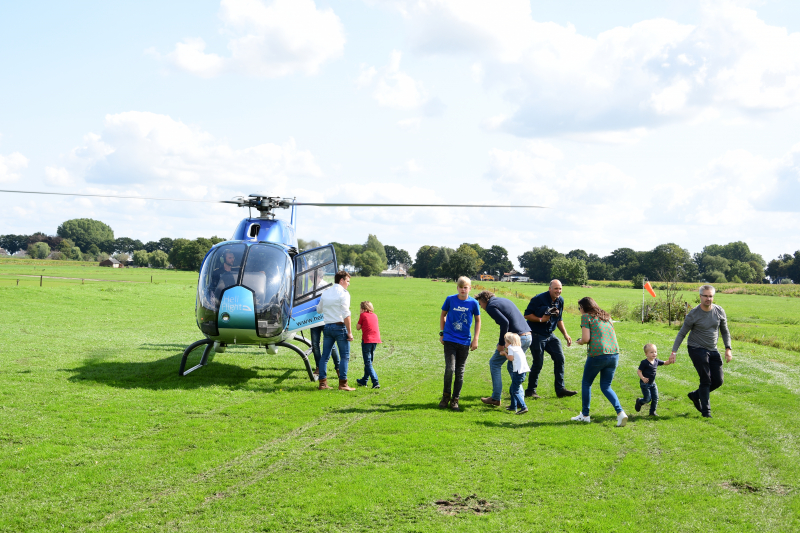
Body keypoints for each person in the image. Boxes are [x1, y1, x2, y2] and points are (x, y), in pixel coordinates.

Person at [670, 284, 733, 418]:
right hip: (696, 348)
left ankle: (695, 395)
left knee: (718, 380)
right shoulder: (693, 314)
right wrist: (674, 352)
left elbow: (725, 331)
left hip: (713, 349)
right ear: (700, 296)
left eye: (710, 296)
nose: (708, 299)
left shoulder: (719, 311)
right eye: (705, 296)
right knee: (706, 379)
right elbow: (682, 333)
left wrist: (728, 348)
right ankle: (706, 412)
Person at [570, 296, 628, 427]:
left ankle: (585, 415)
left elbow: (586, 338)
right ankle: (620, 413)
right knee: (606, 386)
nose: (579, 310)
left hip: (597, 354)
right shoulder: (606, 316)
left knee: (586, 383)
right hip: (614, 354)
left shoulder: (586, 317)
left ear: (584, 307)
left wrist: (580, 342)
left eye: (580, 308)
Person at [474, 290, 532, 407]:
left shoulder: (490, 306)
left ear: (483, 300)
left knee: (495, 363)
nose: (481, 307)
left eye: (480, 304)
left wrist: (501, 343)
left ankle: (496, 398)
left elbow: (504, 323)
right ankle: (519, 402)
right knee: (514, 368)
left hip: (515, 339)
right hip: (527, 336)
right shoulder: (502, 300)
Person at [523, 280, 577, 399]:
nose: (558, 291)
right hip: (536, 334)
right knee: (538, 362)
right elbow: (526, 315)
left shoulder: (560, 300)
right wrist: (542, 319)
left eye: (560, 289)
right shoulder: (538, 299)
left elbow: (559, 319)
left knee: (560, 358)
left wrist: (565, 334)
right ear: (550, 288)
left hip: (550, 334)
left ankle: (560, 389)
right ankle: (530, 390)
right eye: (556, 288)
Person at [438, 276, 481, 411]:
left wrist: (475, 339)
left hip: (464, 341)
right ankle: (445, 397)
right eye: (461, 287)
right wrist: (442, 332)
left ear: (470, 288)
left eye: (465, 287)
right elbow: (443, 315)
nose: (463, 289)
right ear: (457, 288)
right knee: (450, 369)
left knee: (459, 371)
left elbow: (478, 321)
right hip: (450, 339)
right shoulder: (450, 299)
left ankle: (455, 399)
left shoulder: (473, 303)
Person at [317, 271, 355, 391]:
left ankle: (322, 383)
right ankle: (343, 384)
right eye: (348, 281)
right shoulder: (344, 294)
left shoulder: (326, 292)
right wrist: (349, 332)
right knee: (344, 356)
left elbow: (319, 310)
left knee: (325, 357)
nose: (348, 284)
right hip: (340, 327)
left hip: (327, 327)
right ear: (342, 280)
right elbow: (346, 314)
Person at [635, 344, 673, 416]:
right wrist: (643, 378)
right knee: (648, 399)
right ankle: (640, 401)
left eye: (655, 352)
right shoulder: (644, 362)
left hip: (653, 383)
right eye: (651, 352)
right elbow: (639, 371)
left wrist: (670, 361)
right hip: (645, 384)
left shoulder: (656, 361)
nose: (654, 354)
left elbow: (665, 362)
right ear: (646, 354)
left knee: (655, 398)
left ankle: (652, 412)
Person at [502, 332, 530, 415]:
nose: (505, 344)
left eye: (506, 342)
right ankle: (513, 406)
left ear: (510, 342)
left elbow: (510, 358)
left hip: (518, 372)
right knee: (512, 389)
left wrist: (504, 353)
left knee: (515, 391)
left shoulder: (511, 348)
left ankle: (523, 406)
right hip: (523, 371)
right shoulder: (518, 347)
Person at [356, 300, 381, 389]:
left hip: (367, 340)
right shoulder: (374, 315)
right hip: (375, 340)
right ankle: (364, 380)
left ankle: (375, 381)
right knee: (369, 362)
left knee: (368, 363)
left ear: (363, 309)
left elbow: (358, 327)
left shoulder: (363, 315)